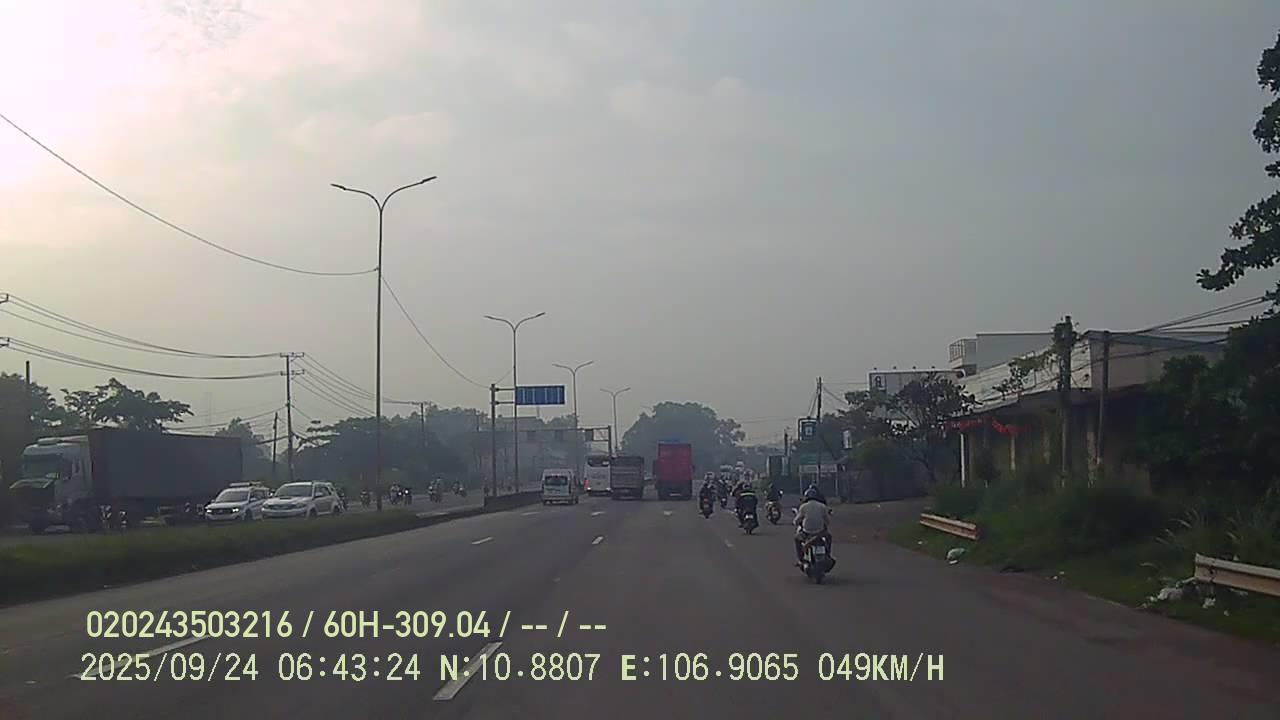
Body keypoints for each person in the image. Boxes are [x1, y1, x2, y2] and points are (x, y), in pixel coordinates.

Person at [793, 487, 832, 565]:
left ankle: (800, 559)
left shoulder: (803, 506)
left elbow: (797, 521)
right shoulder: (822, 506)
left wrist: (795, 522)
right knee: (829, 537)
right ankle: (828, 554)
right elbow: (827, 521)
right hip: (820, 533)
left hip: (807, 533)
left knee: (796, 539)